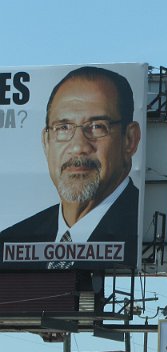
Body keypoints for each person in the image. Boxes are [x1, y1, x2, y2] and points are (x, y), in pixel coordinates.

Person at [0, 65, 141, 269]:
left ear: (130, 139)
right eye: (63, 128)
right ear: (46, 142)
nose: (78, 147)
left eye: (97, 127)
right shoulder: (11, 241)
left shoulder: (141, 227)